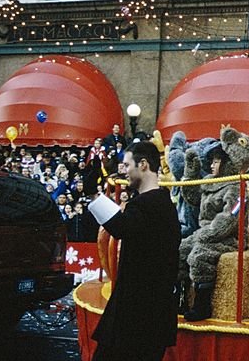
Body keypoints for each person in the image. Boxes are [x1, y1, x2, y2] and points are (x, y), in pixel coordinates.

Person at [87, 141, 181, 361]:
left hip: (137, 315)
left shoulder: (148, 205)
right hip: (149, 312)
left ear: (144, 164)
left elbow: (121, 227)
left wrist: (93, 194)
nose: (124, 171)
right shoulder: (162, 203)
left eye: (127, 165)